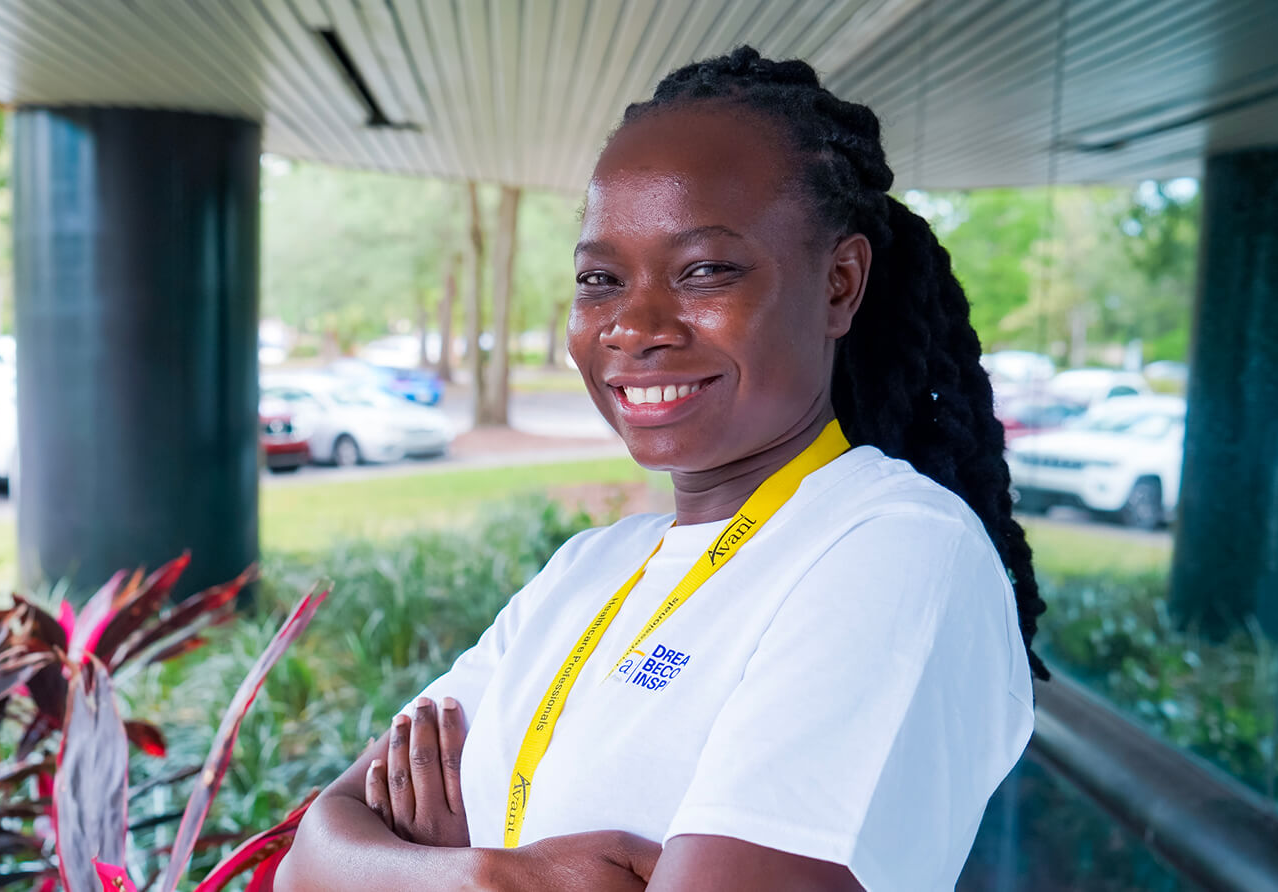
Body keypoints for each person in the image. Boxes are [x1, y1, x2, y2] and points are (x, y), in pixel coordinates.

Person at [278, 47, 1045, 892]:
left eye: (705, 270)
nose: (632, 325)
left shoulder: (896, 549)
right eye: (599, 278)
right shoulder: (588, 569)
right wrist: (496, 879)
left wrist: (413, 867)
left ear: (839, 284)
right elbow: (310, 857)